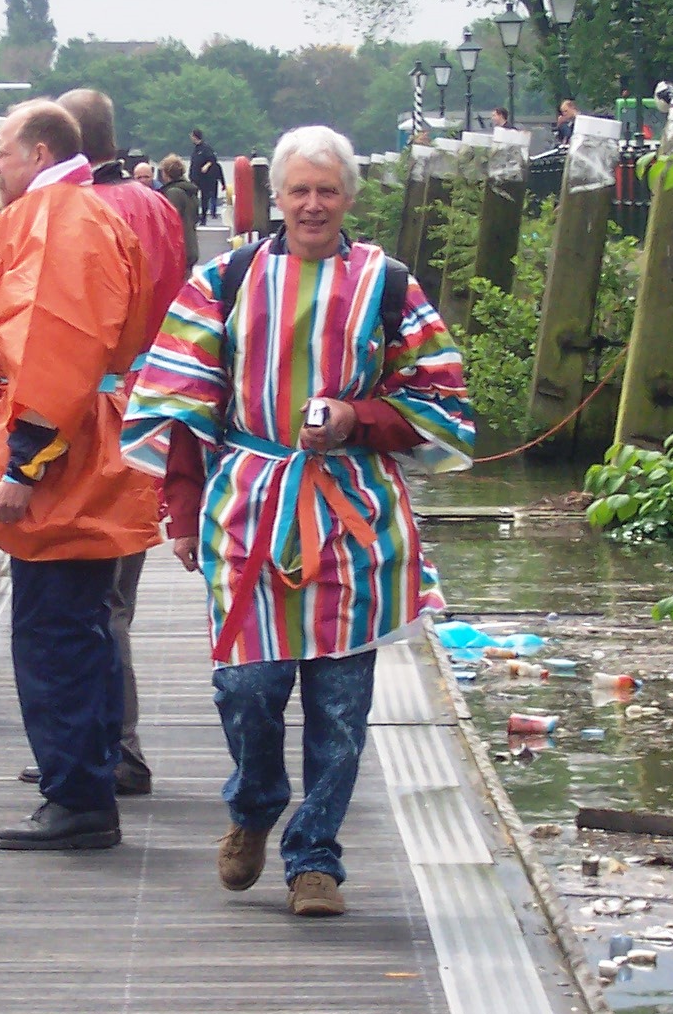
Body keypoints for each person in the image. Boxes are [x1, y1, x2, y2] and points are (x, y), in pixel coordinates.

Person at [121, 126, 474, 916]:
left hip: (354, 515)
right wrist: (179, 509)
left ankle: (315, 859)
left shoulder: (389, 285)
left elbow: (441, 403)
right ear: (275, 199)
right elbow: (183, 405)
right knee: (245, 686)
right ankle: (254, 803)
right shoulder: (226, 279)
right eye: (298, 190)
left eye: (328, 190)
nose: (313, 204)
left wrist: (357, 416)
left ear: (350, 197)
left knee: (341, 706)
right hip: (248, 502)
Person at [0, 99, 161, 850]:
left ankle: (76, 796)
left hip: (68, 461)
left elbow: (57, 342)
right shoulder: (88, 215)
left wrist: (25, 462)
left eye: (2, 152)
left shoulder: (57, 222)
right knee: (86, 625)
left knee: (55, 632)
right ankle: (88, 778)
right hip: (93, 447)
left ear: (38, 153)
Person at [55, 86, 188, 799]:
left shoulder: (85, 213)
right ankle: (95, 740)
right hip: (159, 402)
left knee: (95, 598)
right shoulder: (160, 205)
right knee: (114, 593)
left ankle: (113, 747)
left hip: (103, 410)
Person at [158, 154, 200, 266]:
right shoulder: (190, 192)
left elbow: (170, 222)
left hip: (180, 251)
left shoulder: (173, 193)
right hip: (191, 246)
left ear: (165, 173)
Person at [189, 128, 224, 223]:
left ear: (195, 136)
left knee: (205, 198)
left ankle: (204, 217)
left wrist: (206, 166)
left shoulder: (205, 148)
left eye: (191, 136)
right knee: (193, 198)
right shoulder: (195, 149)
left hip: (204, 178)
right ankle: (195, 216)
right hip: (195, 178)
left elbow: (212, 159)